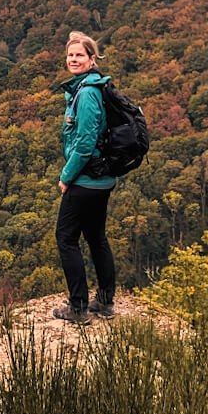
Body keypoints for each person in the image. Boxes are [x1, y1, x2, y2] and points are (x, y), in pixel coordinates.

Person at [51, 31, 117, 325]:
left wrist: (67, 176)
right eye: (70, 55)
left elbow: (85, 142)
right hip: (101, 179)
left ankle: (78, 307)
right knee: (96, 238)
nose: (73, 59)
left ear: (92, 59)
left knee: (66, 238)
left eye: (79, 55)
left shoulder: (88, 93)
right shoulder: (92, 88)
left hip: (86, 180)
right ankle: (104, 302)